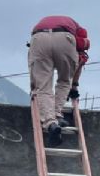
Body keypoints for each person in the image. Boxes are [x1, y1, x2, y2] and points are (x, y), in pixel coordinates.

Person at [28, 15, 90, 146]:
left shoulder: (46, 21)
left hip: (38, 38)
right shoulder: (78, 31)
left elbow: (34, 75)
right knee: (64, 81)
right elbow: (76, 69)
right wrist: (74, 86)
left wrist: (34, 87)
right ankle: (56, 114)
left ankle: (51, 123)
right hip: (65, 39)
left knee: (43, 86)